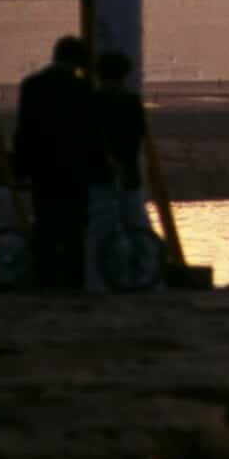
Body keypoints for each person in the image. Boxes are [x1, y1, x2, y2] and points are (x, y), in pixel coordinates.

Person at [12, 35, 103, 289]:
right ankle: (74, 281)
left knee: (45, 223)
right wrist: (99, 168)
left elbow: (24, 131)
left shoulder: (32, 85)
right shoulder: (81, 88)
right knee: (74, 228)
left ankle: (45, 279)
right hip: (74, 168)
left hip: (42, 167)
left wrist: (20, 166)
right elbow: (90, 134)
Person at [87, 51, 152, 292]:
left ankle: (100, 281)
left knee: (100, 230)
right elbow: (137, 137)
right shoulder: (131, 102)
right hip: (128, 173)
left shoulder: (91, 103)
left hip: (99, 174)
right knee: (136, 225)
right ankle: (143, 275)